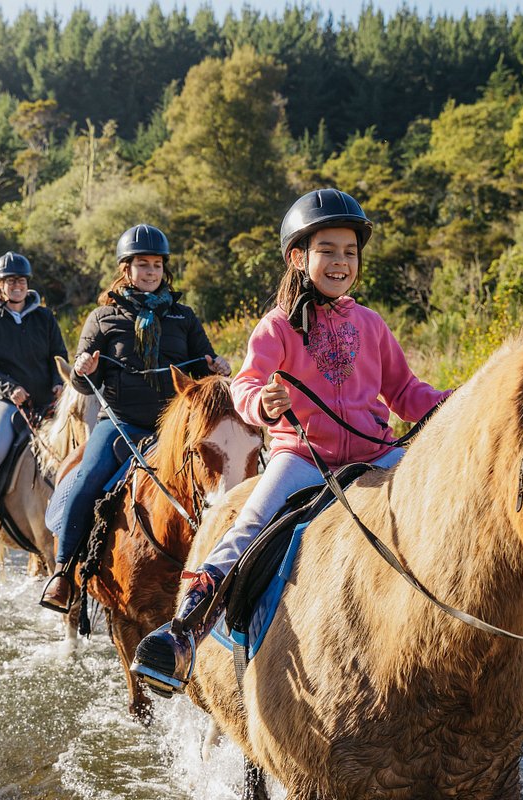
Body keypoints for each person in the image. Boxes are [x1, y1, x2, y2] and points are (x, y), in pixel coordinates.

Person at [131, 188, 452, 696]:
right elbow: (244, 384)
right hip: (302, 458)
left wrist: (456, 403)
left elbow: (408, 392)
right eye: (328, 250)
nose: (341, 262)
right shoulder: (276, 326)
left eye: (350, 252)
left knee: (453, 501)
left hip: (378, 453)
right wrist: (264, 403)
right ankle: (185, 633)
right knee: (248, 527)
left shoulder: (371, 323)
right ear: (299, 258)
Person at [40, 224, 230, 612]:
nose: (150, 272)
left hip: (174, 428)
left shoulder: (184, 317)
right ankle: (63, 573)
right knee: (87, 479)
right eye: (142, 265)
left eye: (157, 265)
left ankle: (227, 568)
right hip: (121, 423)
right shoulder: (102, 317)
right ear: (126, 269)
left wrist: (219, 365)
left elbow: (207, 367)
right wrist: (83, 367)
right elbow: (79, 380)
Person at [0, 251, 68, 537]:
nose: (17, 286)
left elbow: (57, 354)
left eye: (21, 280)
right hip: (8, 402)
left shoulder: (45, 318)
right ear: (0, 285)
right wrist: (10, 388)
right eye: (10, 281)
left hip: (47, 399)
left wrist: (57, 383)